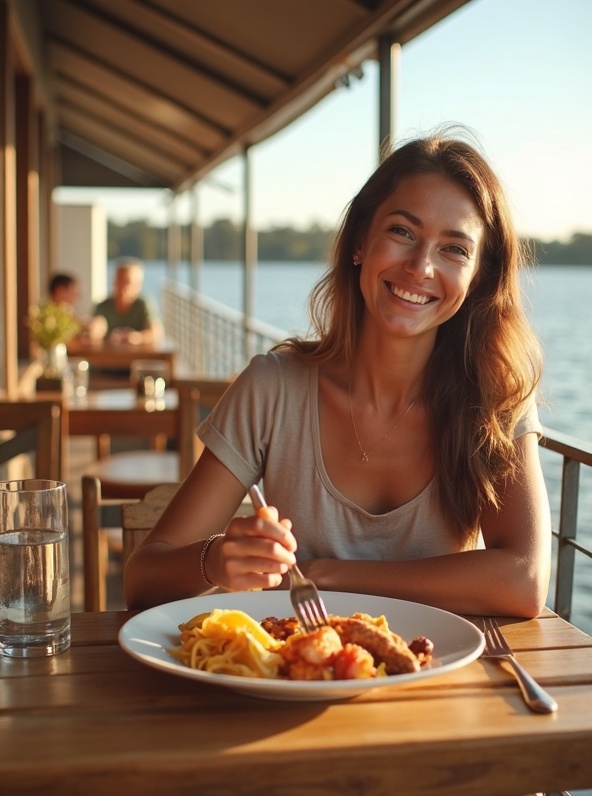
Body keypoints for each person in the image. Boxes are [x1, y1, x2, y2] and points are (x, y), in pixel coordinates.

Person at [124, 129, 552, 632]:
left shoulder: (493, 400)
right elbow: (141, 579)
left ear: (478, 276)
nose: (420, 267)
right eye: (402, 232)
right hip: (296, 679)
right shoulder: (273, 389)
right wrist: (215, 560)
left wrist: (330, 575)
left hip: (437, 687)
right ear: (358, 244)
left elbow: (523, 581)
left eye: (454, 249)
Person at [92, 257, 163, 344]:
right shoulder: (102, 307)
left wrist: (137, 338)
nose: (123, 285)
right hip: (109, 356)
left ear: (139, 285)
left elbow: (156, 332)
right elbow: (97, 326)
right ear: (114, 281)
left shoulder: (144, 304)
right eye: (120, 280)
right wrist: (97, 330)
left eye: (127, 281)